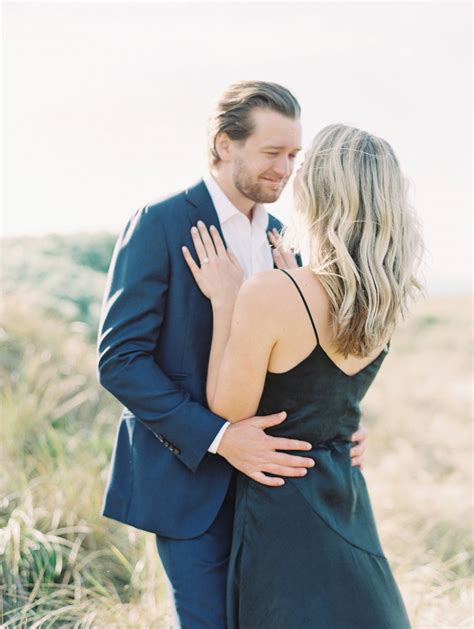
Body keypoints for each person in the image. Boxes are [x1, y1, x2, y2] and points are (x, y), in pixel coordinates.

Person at [97, 82, 369, 628]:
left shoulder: (282, 238)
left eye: (293, 155)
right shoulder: (161, 222)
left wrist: (339, 424)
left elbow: (295, 358)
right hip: (188, 485)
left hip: (273, 492)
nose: (285, 169)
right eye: (272, 153)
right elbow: (120, 360)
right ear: (225, 144)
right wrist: (221, 439)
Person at [183, 123, 423, 628]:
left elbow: (229, 412)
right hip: (348, 503)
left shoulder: (272, 291)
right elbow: (332, 392)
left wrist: (228, 301)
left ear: (319, 191)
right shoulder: (382, 298)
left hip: (283, 515)